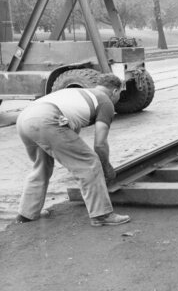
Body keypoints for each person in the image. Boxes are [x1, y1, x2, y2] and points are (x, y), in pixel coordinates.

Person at [15, 73, 130, 227]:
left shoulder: (79, 93)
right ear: (115, 91)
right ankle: (101, 215)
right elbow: (100, 144)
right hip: (47, 118)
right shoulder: (105, 102)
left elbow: (68, 136)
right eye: (120, 94)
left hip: (24, 118)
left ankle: (27, 213)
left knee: (42, 165)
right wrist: (106, 167)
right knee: (89, 162)